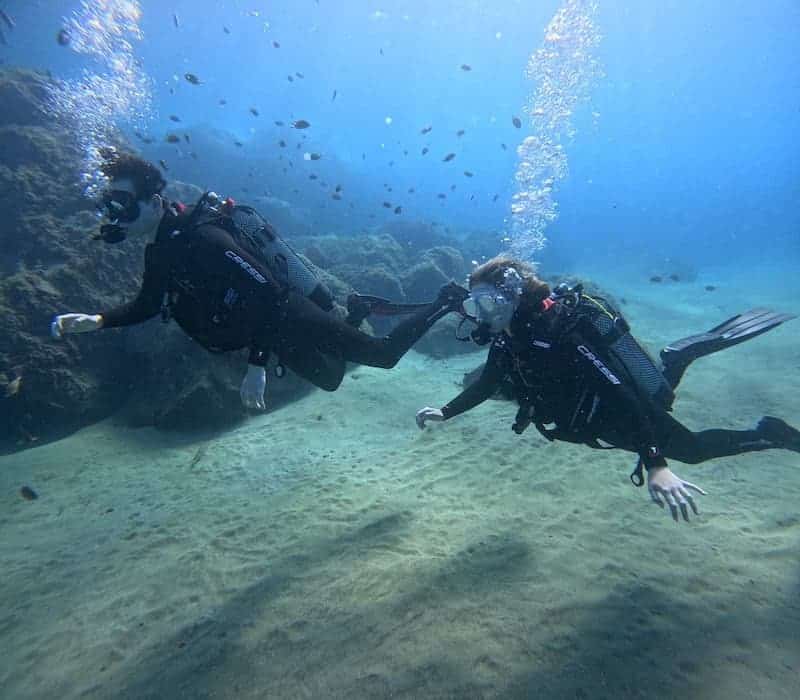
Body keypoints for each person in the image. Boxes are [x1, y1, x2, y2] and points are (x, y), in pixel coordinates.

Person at [51, 149, 468, 408]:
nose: (115, 216)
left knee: (382, 356)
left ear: (154, 201)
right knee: (331, 379)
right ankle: (356, 311)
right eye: (110, 204)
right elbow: (146, 305)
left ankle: (444, 301)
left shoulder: (205, 237)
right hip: (267, 331)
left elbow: (268, 293)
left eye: (123, 203)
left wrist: (257, 366)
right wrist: (99, 320)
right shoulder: (160, 250)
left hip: (288, 312)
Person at [416, 256, 799, 523]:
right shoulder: (508, 338)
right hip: (594, 418)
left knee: (692, 451)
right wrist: (446, 411)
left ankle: (768, 434)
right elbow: (487, 383)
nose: (481, 313)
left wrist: (656, 464)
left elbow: (621, 394)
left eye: (486, 302)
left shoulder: (564, 331)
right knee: (658, 393)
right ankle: (674, 359)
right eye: (476, 303)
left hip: (618, 413)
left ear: (511, 297)